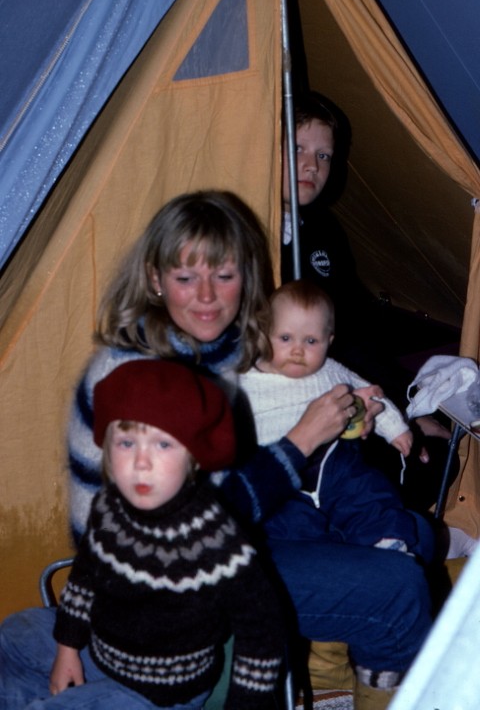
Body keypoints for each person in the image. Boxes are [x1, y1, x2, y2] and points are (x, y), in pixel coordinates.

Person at [1, 191, 433, 710]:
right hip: (170, 571)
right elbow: (189, 520)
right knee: (400, 586)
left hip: (251, 526)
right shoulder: (141, 374)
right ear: (156, 280)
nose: (207, 296)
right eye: (186, 278)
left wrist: (344, 429)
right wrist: (303, 441)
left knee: (415, 534)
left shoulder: (231, 349)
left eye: (224, 275)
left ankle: (327, 674)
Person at [0, 359, 285, 709]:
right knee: (14, 633)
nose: (141, 462)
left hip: (161, 693)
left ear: (195, 457)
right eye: (126, 443)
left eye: (163, 445)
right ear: (106, 449)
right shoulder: (108, 506)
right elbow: (85, 575)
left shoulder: (218, 542)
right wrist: (68, 648)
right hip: (101, 652)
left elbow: (262, 629)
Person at [281, 91, 457, 514]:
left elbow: (356, 330)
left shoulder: (323, 228)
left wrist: (405, 405)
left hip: (346, 384)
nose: (312, 165)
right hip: (287, 406)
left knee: (442, 446)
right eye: (298, 147)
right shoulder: (243, 232)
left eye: (324, 156)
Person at [238, 279, 435, 560]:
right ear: (264, 334)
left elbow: (371, 395)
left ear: (329, 341)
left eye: (311, 341)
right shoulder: (246, 381)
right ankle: (324, 554)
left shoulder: (331, 371)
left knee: (368, 490)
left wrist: (396, 429)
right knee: (289, 521)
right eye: (285, 338)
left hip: (334, 463)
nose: (298, 350)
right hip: (280, 473)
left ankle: (386, 539)